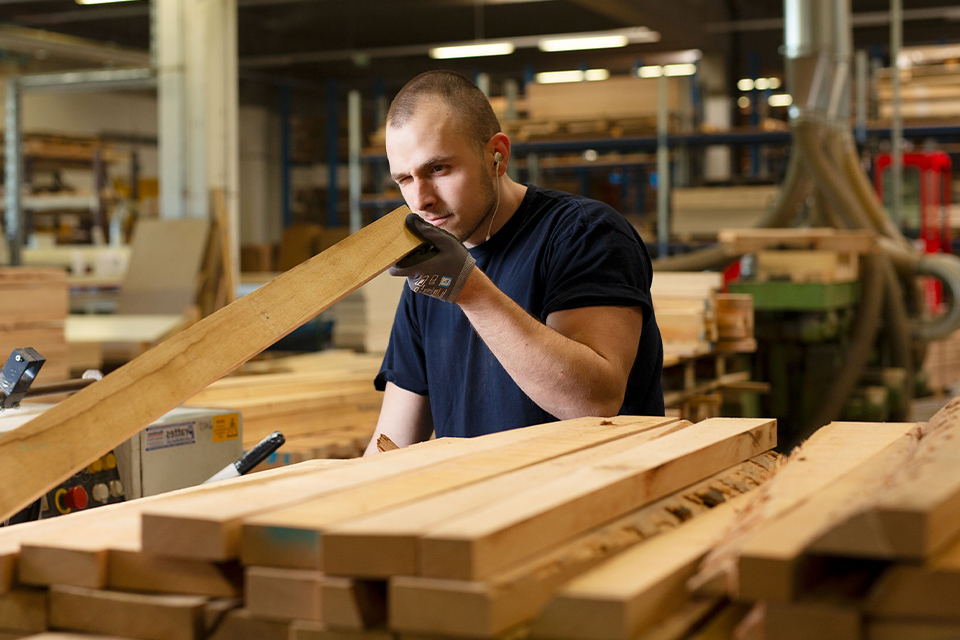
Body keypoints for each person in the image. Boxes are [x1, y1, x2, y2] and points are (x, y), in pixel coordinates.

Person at [364, 70, 663, 454]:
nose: (421, 199)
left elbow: (593, 403)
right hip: (484, 492)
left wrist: (468, 288)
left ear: (498, 156)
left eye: (438, 169)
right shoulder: (431, 274)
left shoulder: (584, 232)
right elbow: (393, 441)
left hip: (594, 488)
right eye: (404, 179)